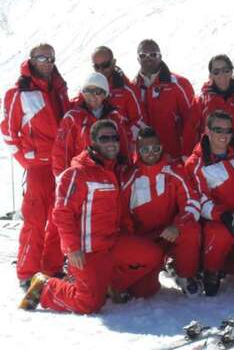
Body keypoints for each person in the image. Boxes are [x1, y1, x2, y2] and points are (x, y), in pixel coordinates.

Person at [19, 120, 161, 313]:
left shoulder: (114, 170)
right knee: (89, 304)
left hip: (113, 243)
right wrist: (72, 248)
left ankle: (108, 285)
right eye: (104, 138)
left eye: (114, 137)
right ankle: (46, 287)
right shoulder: (77, 173)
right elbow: (62, 213)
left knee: (152, 264)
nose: (111, 142)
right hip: (88, 250)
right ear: (92, 142)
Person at [1, 43, 70, 289]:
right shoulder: (19, 93)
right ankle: (27, 272)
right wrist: (27, 162)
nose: (47, 62)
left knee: (58, 219)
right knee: (35, 220)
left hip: (61, 166)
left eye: (50, 58)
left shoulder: (60, 89)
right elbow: (8, 133)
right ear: (31, 60)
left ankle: (51, 267)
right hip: (39, 167)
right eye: (42, 57)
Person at [120, 127, 202, 297]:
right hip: (146, 241)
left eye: (155, 149)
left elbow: (192, 202)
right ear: (137, 150)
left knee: (191, 230)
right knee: (143, 292)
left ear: (162, 147)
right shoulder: (129, 178)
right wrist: (135, 244)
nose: (151, 153)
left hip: (171, 232)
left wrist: (177, 226)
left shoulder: (175, 171)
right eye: (145, 149)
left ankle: (185, 274)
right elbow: (122, 216)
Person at [185, 111, 234, 295]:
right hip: (215, 221)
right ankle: (211, 270)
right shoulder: (196, 163)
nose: (224, 135)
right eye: (218, 130)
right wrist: (222, 215)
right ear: (207, 130)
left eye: (228, 131)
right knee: (218, 232)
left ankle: (229, 263)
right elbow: (198, 197)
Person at [52, 72, 132, 177]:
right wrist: (63, 178)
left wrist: (127, 174)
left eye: (97, 91)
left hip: (111, 175)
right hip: (83, 177)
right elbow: (62, 152)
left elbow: (124, 148)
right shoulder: (72, 118)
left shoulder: (115, 117)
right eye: (87, 91)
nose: (92, 96)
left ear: (105, 94)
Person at [183, 54, 234, 155]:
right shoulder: (202, 100)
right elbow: (191, 130)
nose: (221, 75)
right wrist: (188, 155)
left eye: (225, 70)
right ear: (211, 75)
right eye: (216, 72)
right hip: (209, 157)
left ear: (232, 71)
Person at [133, 39, 195, 159]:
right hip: (146, 159)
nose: (148, 58)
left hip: (174, 156)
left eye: (153, 54)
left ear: (160, 56)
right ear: (138, 59)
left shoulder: (179, 84)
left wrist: (187, 154)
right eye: (143, 55)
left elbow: (192, 121)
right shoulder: (133, 88)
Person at [89, 46, 145, 136]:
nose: (101, 70)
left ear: (113, 62)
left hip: (121, 146)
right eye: (96, 67)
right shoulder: (89, 89)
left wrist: (120, 137)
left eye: (105, 65)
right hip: (98, 146)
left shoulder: (127, 91)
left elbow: (139, 122)